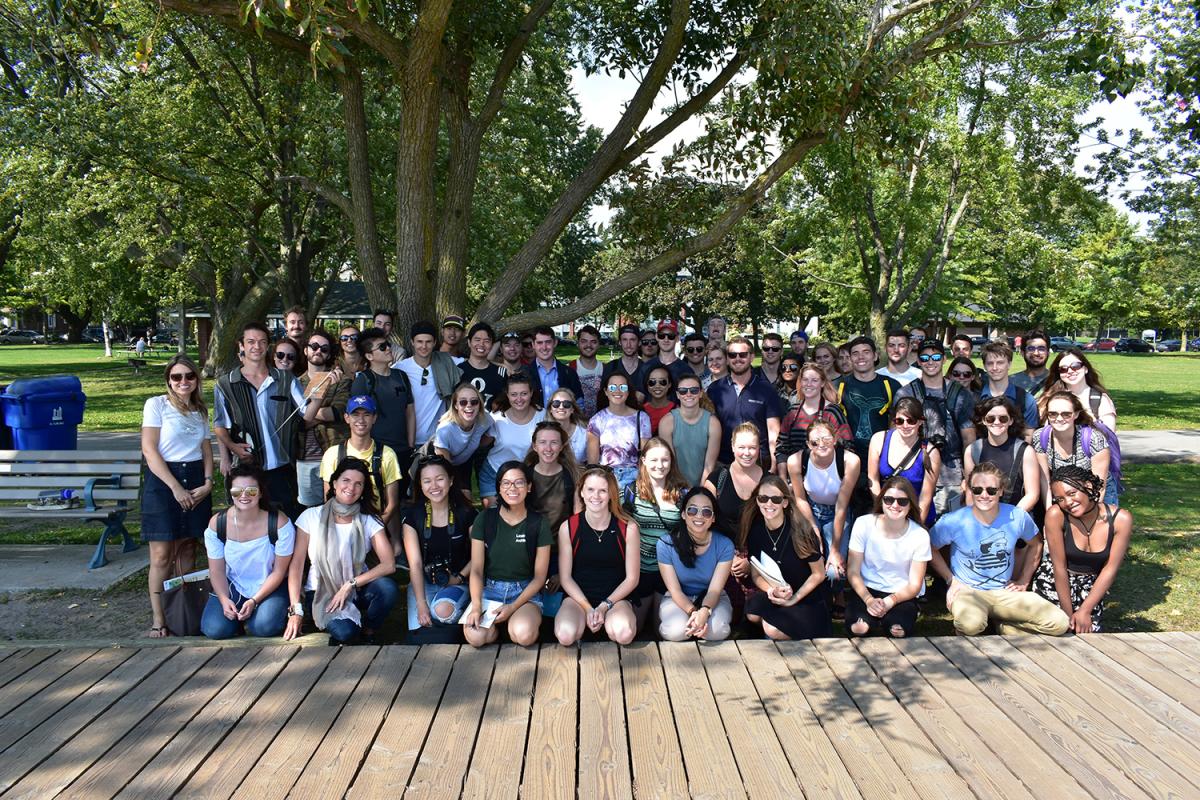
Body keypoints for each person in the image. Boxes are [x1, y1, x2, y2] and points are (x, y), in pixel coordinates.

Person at [928, 462, 1069, 637]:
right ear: (969, 490)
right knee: (970, 625)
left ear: (1001, 490)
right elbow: (928, 548)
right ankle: (995, 625)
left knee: (1059, 623)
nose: (984, 495)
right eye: (977, 490)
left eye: (991, 490)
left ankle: (1006, 627)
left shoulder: (1017, 516)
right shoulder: (953, 520)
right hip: (968, 592)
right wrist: (951, 580)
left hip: (1004, 592)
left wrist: (1024, 580)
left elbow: (1036, 544)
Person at [285, 457, 399, 645]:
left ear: (363, 490)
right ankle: (346, 625)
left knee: (387, 588)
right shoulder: (311, 516)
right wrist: (295, 610)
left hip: (356, 588)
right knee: (345, 633)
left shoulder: (368, 521)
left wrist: (350, 584)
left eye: (358, 484)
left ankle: (368, 631)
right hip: (321, 589)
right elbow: (296, 566)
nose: (351, 488)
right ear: (335, 483)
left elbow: (389, 565)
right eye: (346, 480)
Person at [141, 355, 214, 637]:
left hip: (195, 479)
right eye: (176, 377)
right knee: (161, 555)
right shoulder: (156, 405)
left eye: (189, 376)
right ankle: (159, 618)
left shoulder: (199, 410)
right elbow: (150, 450)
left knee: (187, 549)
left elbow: (206, 450)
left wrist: (208, 483)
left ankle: (182, 611)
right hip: (164, 481)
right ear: (168, 380)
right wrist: (175, 487)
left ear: (196, 379)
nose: (183, 382)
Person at [214, 322, 318, 521]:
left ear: (268, 346)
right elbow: (220, 425)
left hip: (282, 466)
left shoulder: (286, 379)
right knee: (248, 521)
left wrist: (322, 390)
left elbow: (307, 414)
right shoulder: (226, 384)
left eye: (262, 342)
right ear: (241, 346)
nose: (256, 346)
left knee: (286, 522)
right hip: (247, 468)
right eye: (251, 342)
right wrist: (232, 447)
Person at [1032, 466, 1132, 633]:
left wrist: (1085, 610)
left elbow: (1110, 569)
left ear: (1088, 487)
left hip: (1090, 588)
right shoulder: (1056, 515)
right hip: (1055, 583)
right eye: (1060, 499)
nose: (1067, 502)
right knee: (1059, 629)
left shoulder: (1121, 519)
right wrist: (1067, 614)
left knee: (1089, 636)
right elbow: (1059, 567)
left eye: (1071, 494)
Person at [463, 461, 552, 647]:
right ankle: (495, 631)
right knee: (475, 637)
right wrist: (477, 606)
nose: (512, 488)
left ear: (528, 487)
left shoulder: (538, 523)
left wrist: (512, 607)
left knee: (523, 634)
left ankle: (512, 625)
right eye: (506, 483)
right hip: (490, 590)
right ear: (499, 488)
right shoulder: (485, 518)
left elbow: (539, 577)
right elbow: (477, 570)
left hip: (524, 592)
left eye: (519, 482)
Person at [201, 465, 295, 639]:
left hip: (269, 584)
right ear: (230, 493)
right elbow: (217, 570)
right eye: (237, 491)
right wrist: (223, 599)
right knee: (215, 629)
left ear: (260, 493)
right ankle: (236, 617)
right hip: (233, 585)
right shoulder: (218, 523)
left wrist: (254, 600)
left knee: (263, 628)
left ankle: (255, 613)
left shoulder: (279, 523)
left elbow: (279, 571)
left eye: (251, 491)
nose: (244, 496)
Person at [554, 467, 641, 646]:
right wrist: (588, 608)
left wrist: (603, 606)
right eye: (591, 490)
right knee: (565, 635)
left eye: (603, 491)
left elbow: (632, 579)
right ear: (582, 493)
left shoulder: (628, 528)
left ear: (611, 494)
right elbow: (565, 578)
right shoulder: (569, 527)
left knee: (624, 634)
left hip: (615, 599)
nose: (596, 496)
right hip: (578, 598)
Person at [741, 475, 831, 640]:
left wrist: (793, 599)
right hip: (778, 592)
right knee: (752, 612)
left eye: (775, 499)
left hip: (806, 597)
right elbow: (756, 575)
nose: (769, 504)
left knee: (771, 629)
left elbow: (818, 574)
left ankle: (779, 632)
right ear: (757, 501)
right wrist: (771, 590)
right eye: (763, 498)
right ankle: (778, 629)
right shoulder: (756, 531)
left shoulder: (802, 530)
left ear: (785, 502)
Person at [401, 455, 478, 640]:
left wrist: (460, 576)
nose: (434, 486)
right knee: (420, 631)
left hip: (458, 581)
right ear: (420, 484)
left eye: (440, 479)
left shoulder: (467, 513)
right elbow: (416, 564)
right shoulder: (413, 516)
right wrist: (421, 604)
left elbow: (479, 554)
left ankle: (456, 618)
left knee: (443, 613)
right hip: (424, 582)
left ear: (451, 481)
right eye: (427, 481)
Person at [846, 476, 931, 638]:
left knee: (897, 631)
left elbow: (915, 584)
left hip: (901, 592)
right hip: (866, 589)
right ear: (881, 500)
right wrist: (869, 599)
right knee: (859, 629)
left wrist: (890, 601)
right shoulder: (863, 524)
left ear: (910, 504)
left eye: (902, 501)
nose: (895, 505)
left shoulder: (920, 535)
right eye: (889, 499)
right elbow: (853, 571)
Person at [897, 340, 975, 514]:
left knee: (946, 534)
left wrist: (969, 480)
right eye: (924, 357)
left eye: (936, 356)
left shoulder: (961, 395)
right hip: (913, 475)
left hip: (951, 477)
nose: (930, 361)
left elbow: (969, 440)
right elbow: (895, 436)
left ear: (944, 359)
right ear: (918, 360)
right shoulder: (905, 393)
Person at [319, 395, 403, 550]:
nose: (361, 420)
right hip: (343, 522)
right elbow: (328, 499)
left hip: (376, 521)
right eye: (355, 414)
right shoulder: (332, 454)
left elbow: (392, 503)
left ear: (374, 418)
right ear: (346, 418)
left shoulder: (387, 454)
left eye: (367, 414)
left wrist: (370, 532)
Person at [787, 419, 861, 587]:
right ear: (808, 444)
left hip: (838, 511)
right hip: (809, 510)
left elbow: (841, 507)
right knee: (805, 560)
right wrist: (813, 527)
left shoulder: (850, 461)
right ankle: (814, 598)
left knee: (835, 571)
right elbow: (800, 498)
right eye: (815, 442)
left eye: (827, 439)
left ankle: (838, 595)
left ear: (835, 439)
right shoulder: (796, 461)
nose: (821, 445)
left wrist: (834, 550)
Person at [624, 437, 689, 627]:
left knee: (662, 629)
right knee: (636, 628)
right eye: (653, 460)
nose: (659, 465)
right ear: (643, 460)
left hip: (670, 570)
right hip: (639, 571)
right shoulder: (629, 492)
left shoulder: (683, 494)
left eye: (665, 460)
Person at [656, 487, 734, 641]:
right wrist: (693, 612)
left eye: (706, 512)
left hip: (713, 599)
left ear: (713, 518)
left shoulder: (725, 545)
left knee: (716, 631)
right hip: (677, 598)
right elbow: (675, 590)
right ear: (683, 514)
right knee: (676, 631)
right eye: (692, 510)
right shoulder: (665, 544)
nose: (699, 516)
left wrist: (704, 612)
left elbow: (714, 590)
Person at [350, 327, 415, 495]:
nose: (388, 349)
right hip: (376, 452)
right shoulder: (363, 381)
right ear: (369, 356)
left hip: (402, 450)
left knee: (400, 501)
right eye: (382, 347)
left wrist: (410, 444)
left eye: (388, 345)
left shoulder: (401, 376)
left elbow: (410, 411)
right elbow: (357, 419)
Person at [707, 335, 782, 469]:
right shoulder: (715, 389)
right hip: (724, 463)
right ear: (727, 359)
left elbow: (773, 431)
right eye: (732, 355)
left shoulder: (766, 389)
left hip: (758, 462)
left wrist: (774, 465)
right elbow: (709, 430)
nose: (737, 359)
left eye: (742, 355)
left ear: (751, 357)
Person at [296, 330, 350, 508]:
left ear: (329, 353)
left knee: (339, 507)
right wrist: (320, 413)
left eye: (324, 349)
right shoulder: (294, 383)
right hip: (304, 457)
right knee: (309, 511)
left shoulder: (341, 380)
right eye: (314, 346)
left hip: (334, 454)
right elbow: (296, 423)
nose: (318, 351)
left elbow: (338, 413)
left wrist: (307, 413)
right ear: (306, 350)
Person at [867, 398, 942, 526]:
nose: (905, 426)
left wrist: (916, 529)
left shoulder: (931, 453)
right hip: (887, 511)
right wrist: (882, 511)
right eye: (900, 421)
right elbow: (872, 479)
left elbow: (925, 498)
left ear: (920, 422)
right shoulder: (879, 439)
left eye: (911, 421)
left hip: (916, 514)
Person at [1033, 391, 1112, 509]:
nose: (1059, 419)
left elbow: (1100, 487)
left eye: (1066, 414)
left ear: (1076, 414)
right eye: (1053, 414)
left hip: (1096, 495)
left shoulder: (1094, 439)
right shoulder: (1040, 437)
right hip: (1063, 494)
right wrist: (1050, 512)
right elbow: (1045, 482)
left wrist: (1089, 516)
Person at [962, 397, 1040, 516]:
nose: (997, 422)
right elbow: (970, 493)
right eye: (991, 418)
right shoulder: (972, 451)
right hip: (982, 518)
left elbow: (1032, 494)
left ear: (1011, 421)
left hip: (1016, 515)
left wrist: (1011, 518)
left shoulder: (1025, 451)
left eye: (1003, 418)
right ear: (983, 420)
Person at [834, 336, 901, 462]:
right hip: (847, 455)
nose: (860, 357)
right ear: (851, 358)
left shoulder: (891, 386)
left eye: (866, 352)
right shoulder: (838, 386)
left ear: (875, 356)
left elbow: (899, 422)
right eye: (855, 353)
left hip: (882, 454)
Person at [482, 374, 545, 506]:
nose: (519, 399)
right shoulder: (497, 418)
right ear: (507, 395)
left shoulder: (543, 417)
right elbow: (480, 443)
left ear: (531, 393)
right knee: (494, 516)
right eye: (514, 394)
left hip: (526, 475)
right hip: (494, 471)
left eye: (524, 394)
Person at [397, 321, 462, 448]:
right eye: (419, 342)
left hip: (436, 440)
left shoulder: (446, 362)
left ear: (435, 342)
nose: (424, 346)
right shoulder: (400, 368)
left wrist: (503, 366)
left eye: (428, 342)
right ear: (412, 342)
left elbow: (475, 362)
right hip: (407, 439)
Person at [776, 364, 852, 468]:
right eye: (805, 380)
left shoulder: (832, 412)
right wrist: (784, 479)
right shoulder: (792, 412)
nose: (809, 384)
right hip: (795, 475)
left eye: (814, 380)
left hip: (827, 474)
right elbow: (781, 448)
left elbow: (848, 448)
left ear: (822, 383)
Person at [586, 373, 651, 492]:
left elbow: (646, 457)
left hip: (634, 480)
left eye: (622, 387)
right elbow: (593, 463)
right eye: (612, 387)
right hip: (607, 478)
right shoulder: (596, 420)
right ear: (606, 391)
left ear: (628, 391)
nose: (617, 391)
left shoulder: (641, 418)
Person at [658, 373, 720, 486]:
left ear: (701, 393)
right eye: (683, 391)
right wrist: (681, 489)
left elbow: (709, 465)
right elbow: (669, 462)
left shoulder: (713, 423)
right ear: (677, 394)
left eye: (694, 390)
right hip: (674, 484)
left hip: (703, 484)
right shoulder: (667, 422)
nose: (688, 394)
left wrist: (700, 491)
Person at [432, 383, 495, 488]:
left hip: (463, 463)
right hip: (437, 463)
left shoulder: (485, 420)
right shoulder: (445, 429)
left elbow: (492, 434)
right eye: (463, 402)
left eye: (474, 402)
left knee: (466, 500)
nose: (469, 405)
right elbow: (445, 466)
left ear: (479, 404)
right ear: (456, 405)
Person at [525, 420, 579, 538]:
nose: (548, 448)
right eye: (542, 442)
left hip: (563, 544)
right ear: (535, 446)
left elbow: (578, 514)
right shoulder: (524, 476)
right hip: (531, 543)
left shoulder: (572, 476)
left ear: (561, 447)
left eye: (554, 442)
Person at [1040, 348, 1117, 431]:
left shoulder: (1100, 399)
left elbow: (1109, 436)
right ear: (1059, 374)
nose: (1070, 371)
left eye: (1075, 366)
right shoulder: (1049, 398)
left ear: (1086, 369)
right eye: (1063, 369)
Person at [978, 340, 1038, 432]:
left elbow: (1028, 436)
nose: (995, 368)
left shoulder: (1026, 400)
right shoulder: (975, 398)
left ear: (1009, 364)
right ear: (984, 366)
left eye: (1000, 363)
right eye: (990, 363)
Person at [529, 325, 583, 408]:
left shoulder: (569, 373)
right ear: (533, 345)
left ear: (555, 343)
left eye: (548, 342)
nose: (544, 347)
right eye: (539, 343)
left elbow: (579, 403)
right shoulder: (524, 373)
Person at [459, 323, 507, 411]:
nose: (481, 344)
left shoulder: (502, 373)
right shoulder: (457, 371)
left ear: (492, 345)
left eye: (487, 341)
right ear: (469, 342)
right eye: (477, 340)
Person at [569, 325, 605, 417]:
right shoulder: (569, 370)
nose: (588, 345)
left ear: (599, 345)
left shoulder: (606, 369)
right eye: (584, 341)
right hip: (577, 423)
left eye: (593, 342)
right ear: (578, 344)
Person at [602, 324, 648, 397]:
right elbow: (603, 396)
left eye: (632, 340)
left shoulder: (647, 369)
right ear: (620, 342)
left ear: (639, 342)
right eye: (624, 340)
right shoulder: (611, 367)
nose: (628, 345)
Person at [546, 388, 588, 464]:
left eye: (566, 404)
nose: (561, 407)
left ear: (572, 409)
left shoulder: (584, 434)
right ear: (550, 409)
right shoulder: (542, 433)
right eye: (556, 403)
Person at [1010, 331, 1051, 395]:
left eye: (1041, 349)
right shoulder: (1010, 382)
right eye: (1031, 348)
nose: (1036, 353)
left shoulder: (1057, 381)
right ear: (1022, 353)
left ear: (1048, 353)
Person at [642, 365, 676, 435]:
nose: (657, 386)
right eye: (652, 382)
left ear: (669, 384)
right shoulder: (641, 411)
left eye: (662, 382)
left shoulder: (677, 411)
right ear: (647, 385)